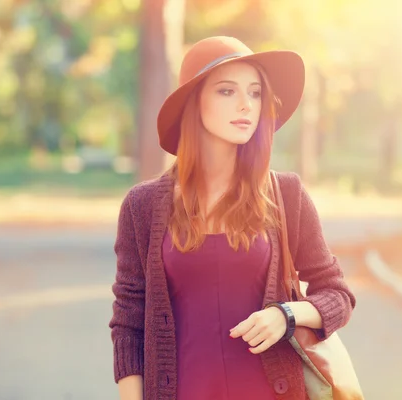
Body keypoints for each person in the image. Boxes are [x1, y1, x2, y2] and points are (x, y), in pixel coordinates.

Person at [109, 36, 356, 400]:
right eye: (227, 91)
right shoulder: (141, 205)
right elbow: (128, 322)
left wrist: (287, 314)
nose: (246, 105)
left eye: (255, 93)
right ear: (194, 103)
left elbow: (338, 295)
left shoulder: (286, 195)